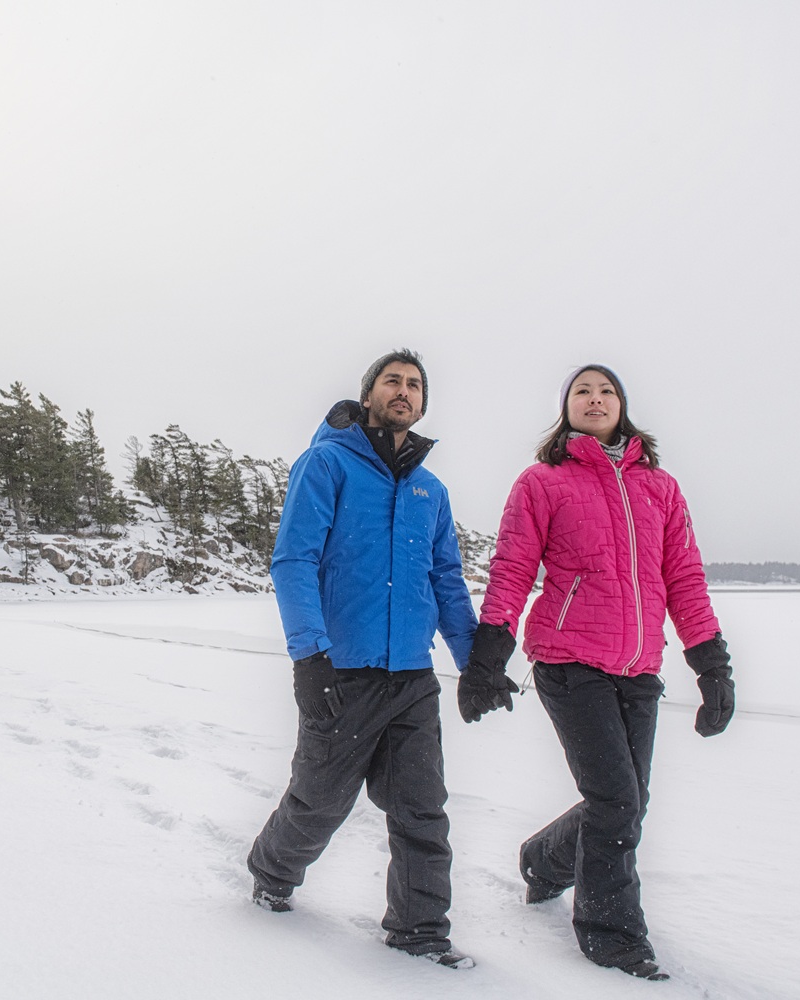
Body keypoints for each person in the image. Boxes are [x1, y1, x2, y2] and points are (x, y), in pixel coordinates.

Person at [458, 364, 736, 982]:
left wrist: (710, 665)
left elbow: (684, 579)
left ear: (622, 407)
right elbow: (512, 568)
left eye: (605, 390)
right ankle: (611, 935)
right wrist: (487, 658)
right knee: (615, 799)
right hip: (567, 659)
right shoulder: (543, 481)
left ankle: (541, 861)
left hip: (640, 667)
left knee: (626, 802)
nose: (594, 398)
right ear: (566, 409)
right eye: (582, 390)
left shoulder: (660, 488)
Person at [247, 349, 479, 969]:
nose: (403, 391)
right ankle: (270, 871)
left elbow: (446, 579)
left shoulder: (431, 489)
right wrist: (309, 657)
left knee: (422, 810)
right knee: (320, 801)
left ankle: (421, 931)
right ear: (369, 393)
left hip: (411, 676)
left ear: (423, 402)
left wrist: (475, 659)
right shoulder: (327, 464)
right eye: (391, 381)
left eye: (414, 385)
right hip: (341, 674)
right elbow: (293, 560)